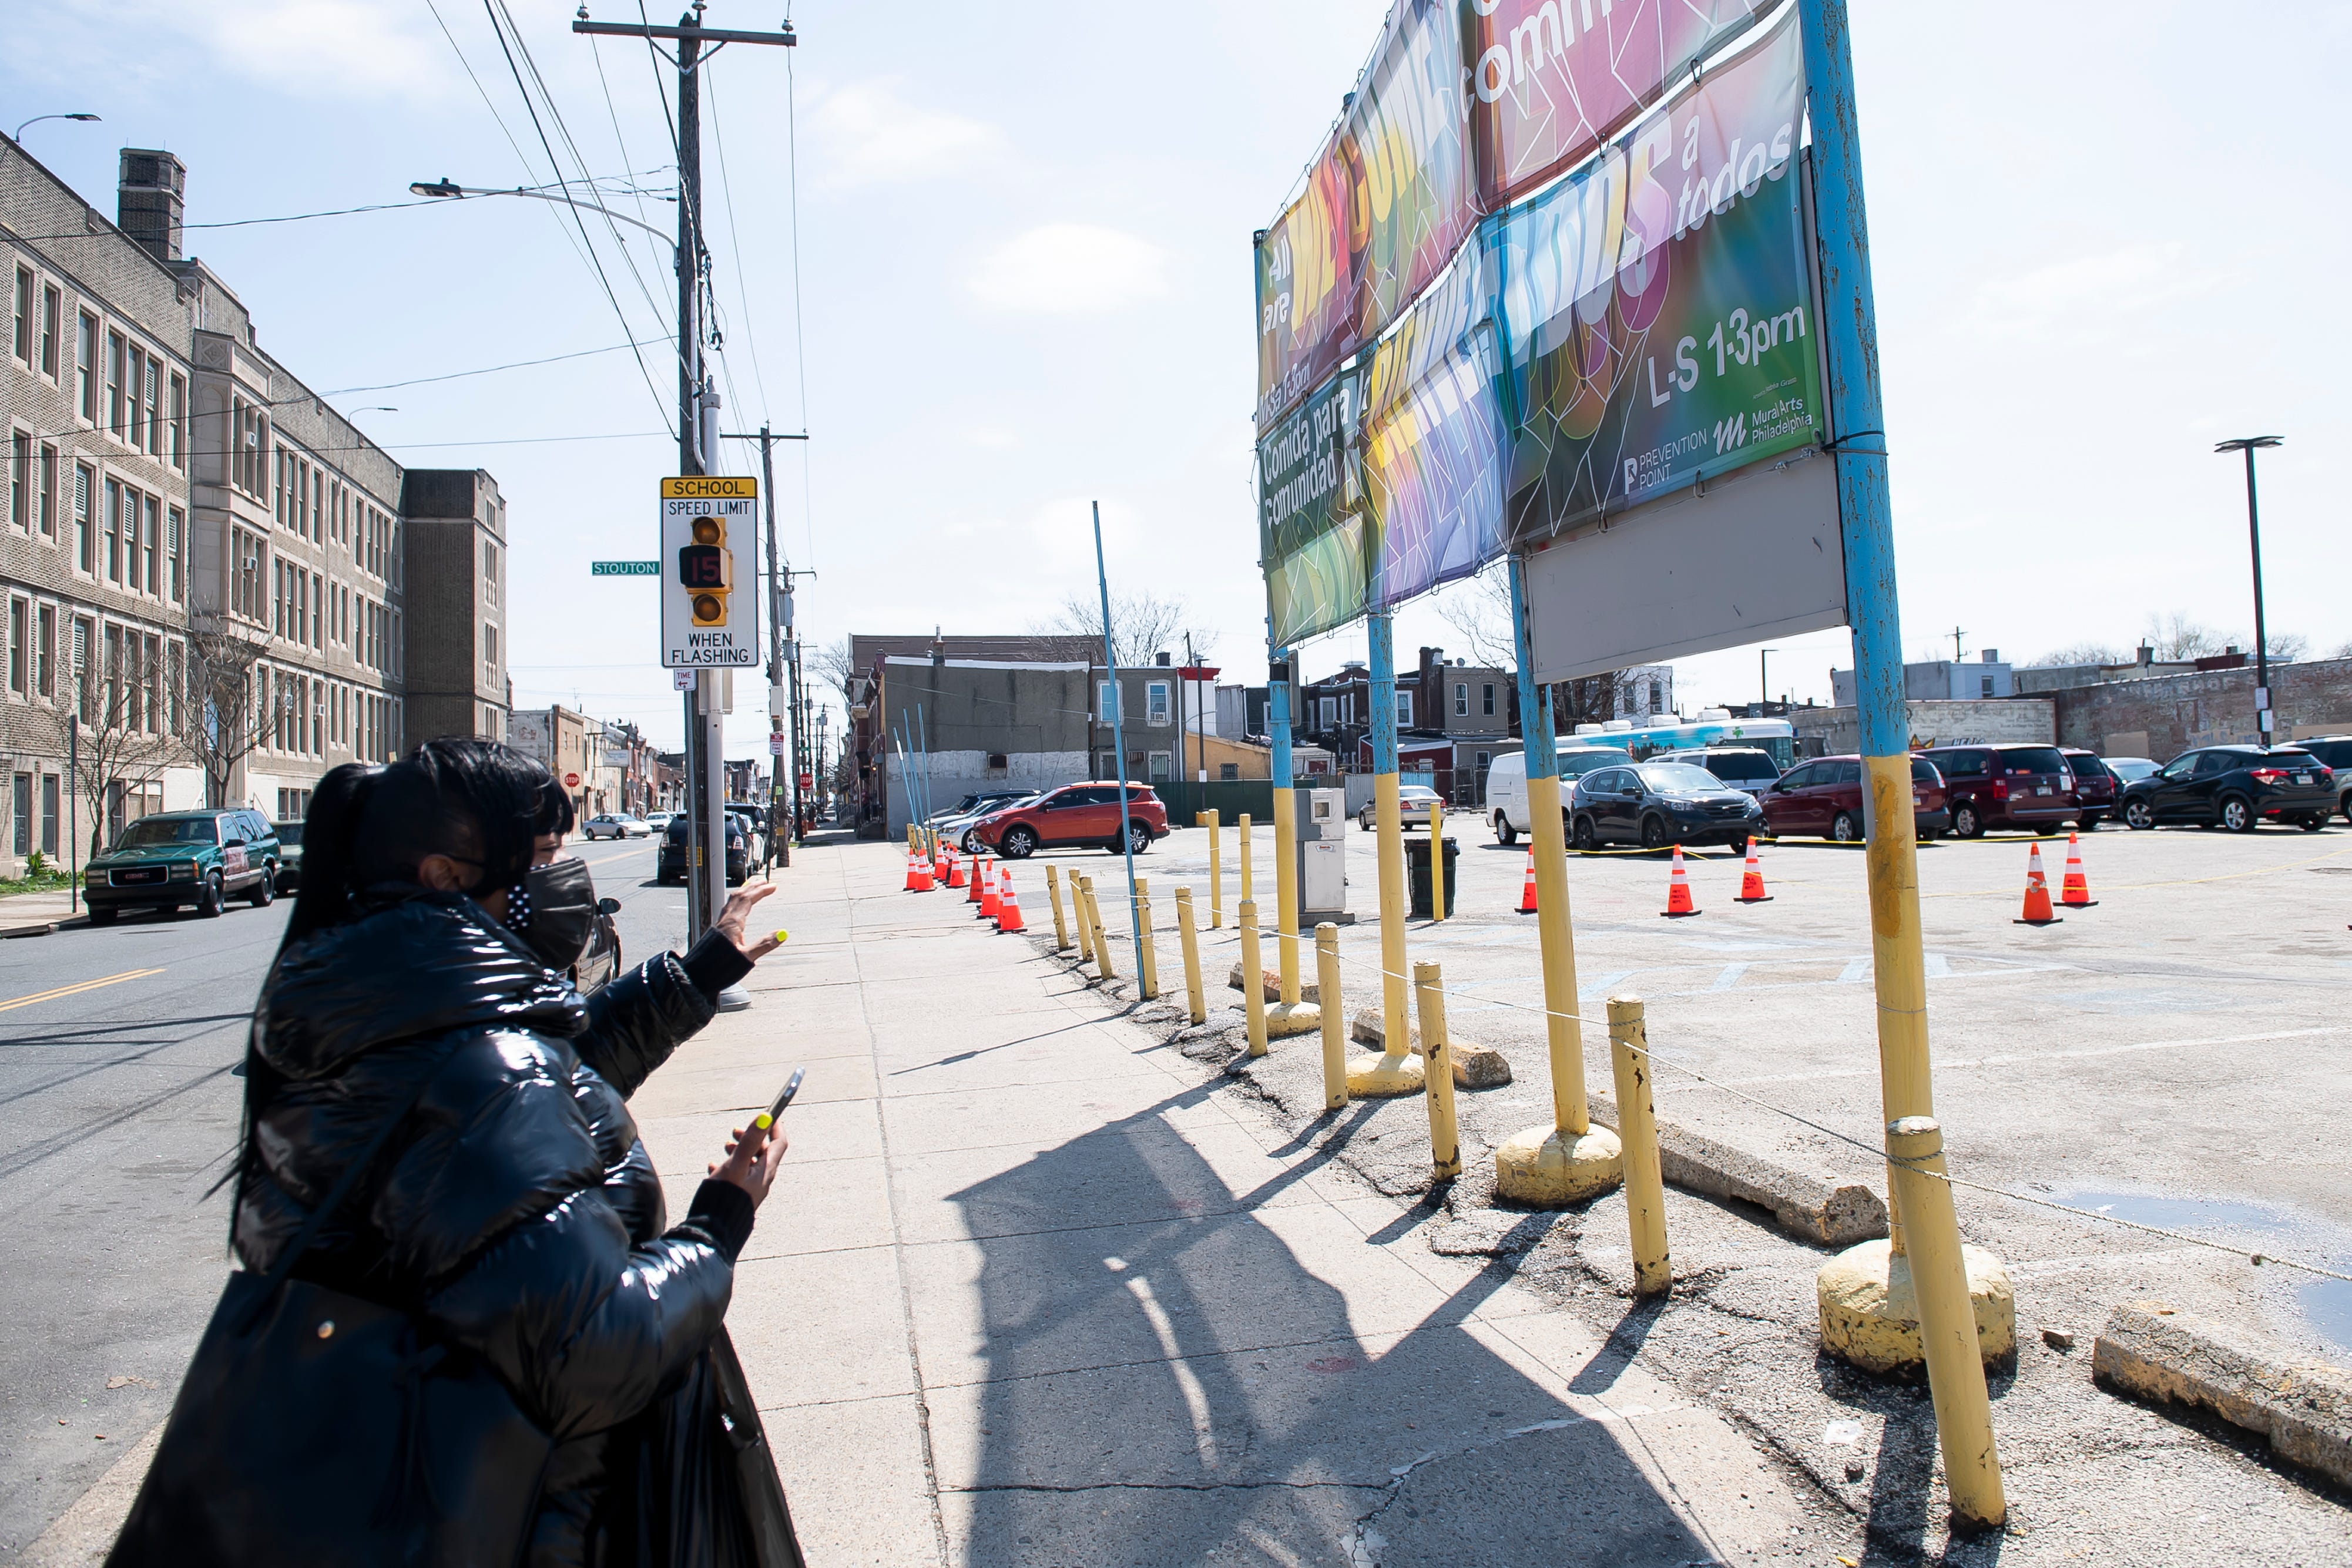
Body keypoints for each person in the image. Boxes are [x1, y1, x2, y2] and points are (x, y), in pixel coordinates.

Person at [136, 739, 789, 1567]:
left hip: (400, 1488)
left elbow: (550, 1085)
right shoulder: (478, 1065)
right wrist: (718, 1224)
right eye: (545, 857)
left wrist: (697, 973)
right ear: (445, 876)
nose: (568, 878)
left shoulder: (377, 1004)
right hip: (516, 1517)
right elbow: (592, 1347)